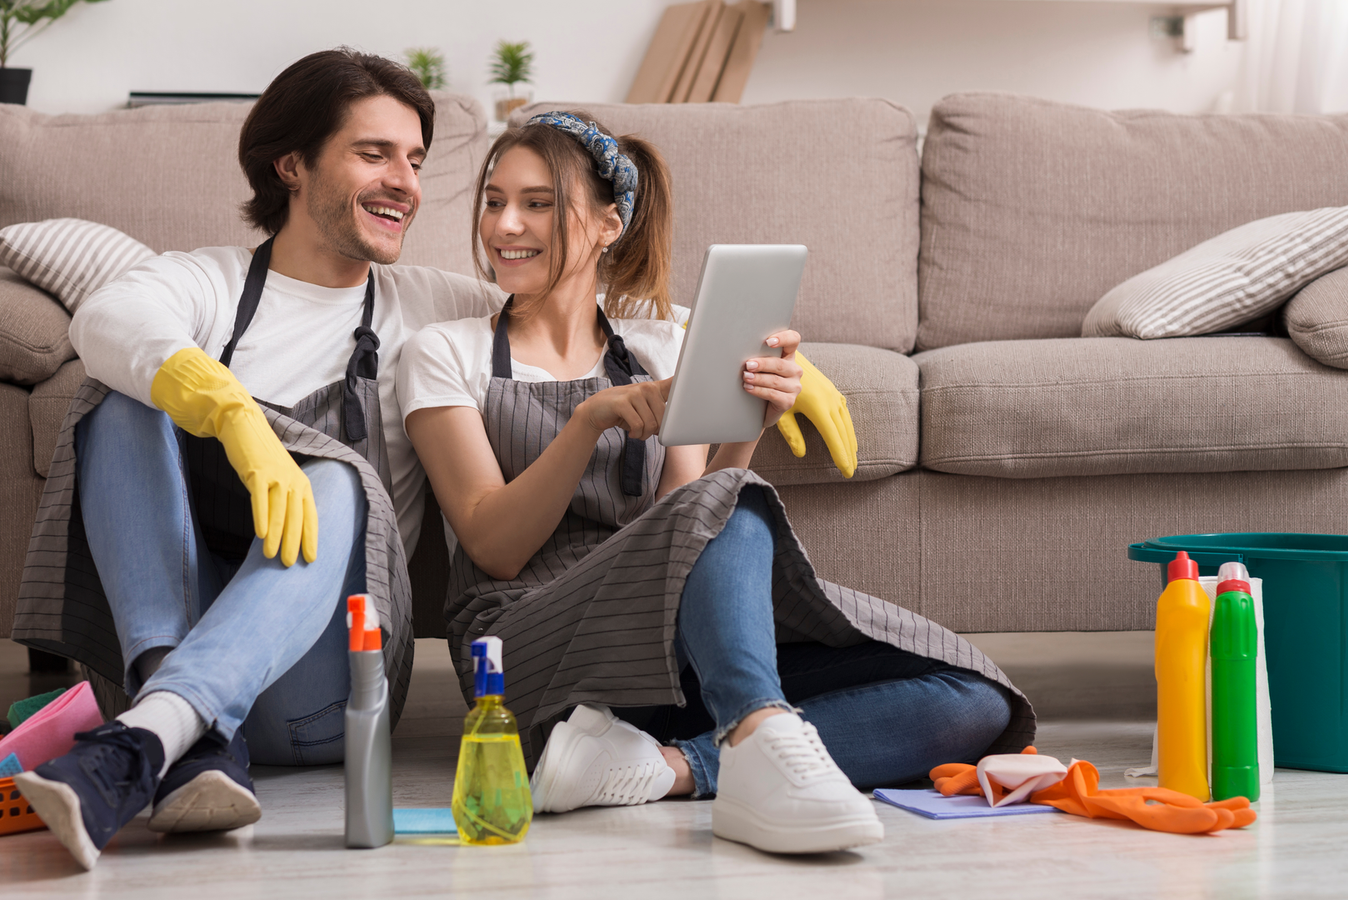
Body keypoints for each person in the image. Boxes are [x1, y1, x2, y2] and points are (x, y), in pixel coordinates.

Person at [399, 111, 1037, 854]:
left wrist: (750, 422)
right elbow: (491, 544)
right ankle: (758, 745)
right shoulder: (446, 351)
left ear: (609, 224)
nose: (505, 224)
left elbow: (692, 522)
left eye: (537, 203)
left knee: (974, 702)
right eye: (493, 199)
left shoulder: (659, 345)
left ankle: (679, 764)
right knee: (716, 507)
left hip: (659, 652)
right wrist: (587, 425)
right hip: (523, 652)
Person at [10, 49, 505, 870]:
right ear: (292, 166)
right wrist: (231, 412)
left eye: (415, 160)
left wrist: (769, 352)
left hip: (330, 690)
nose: (406, 183)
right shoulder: (205, 283)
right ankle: (182, 736)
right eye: (374, 154)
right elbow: (106, 319)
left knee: (342, 479)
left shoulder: (437, 304)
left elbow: (601, 323)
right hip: (171, 647)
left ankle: (144, 739)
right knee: (122, 394)